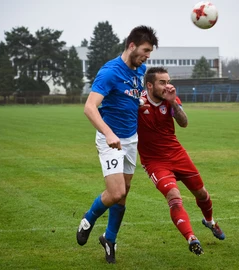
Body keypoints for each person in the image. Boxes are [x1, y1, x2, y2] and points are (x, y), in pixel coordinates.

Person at [76, 25, 159, 264]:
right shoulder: (110, 72)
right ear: (131, 45)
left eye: (150, 51)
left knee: (124, 194)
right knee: (116, 192)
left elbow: (133, 98)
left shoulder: (140, 70)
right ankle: (89, 218)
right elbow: (89, 108)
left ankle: (110, 238)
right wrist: (108, 133)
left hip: (131, 139)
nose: (147, 56)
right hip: (110, 140)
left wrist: (141, 105)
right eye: (145, 50)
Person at [137, 67, 225, 256]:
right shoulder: (138, 102)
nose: (167, 86)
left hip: (177, 155)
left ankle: (209, 221)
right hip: (154, 162)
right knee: (174, 198)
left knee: (201, 193)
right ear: (150, 85)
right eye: (162, 82)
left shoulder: (171, 99)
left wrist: (173, 104)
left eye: (168, 81)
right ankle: (191, 238)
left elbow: (184, 123)